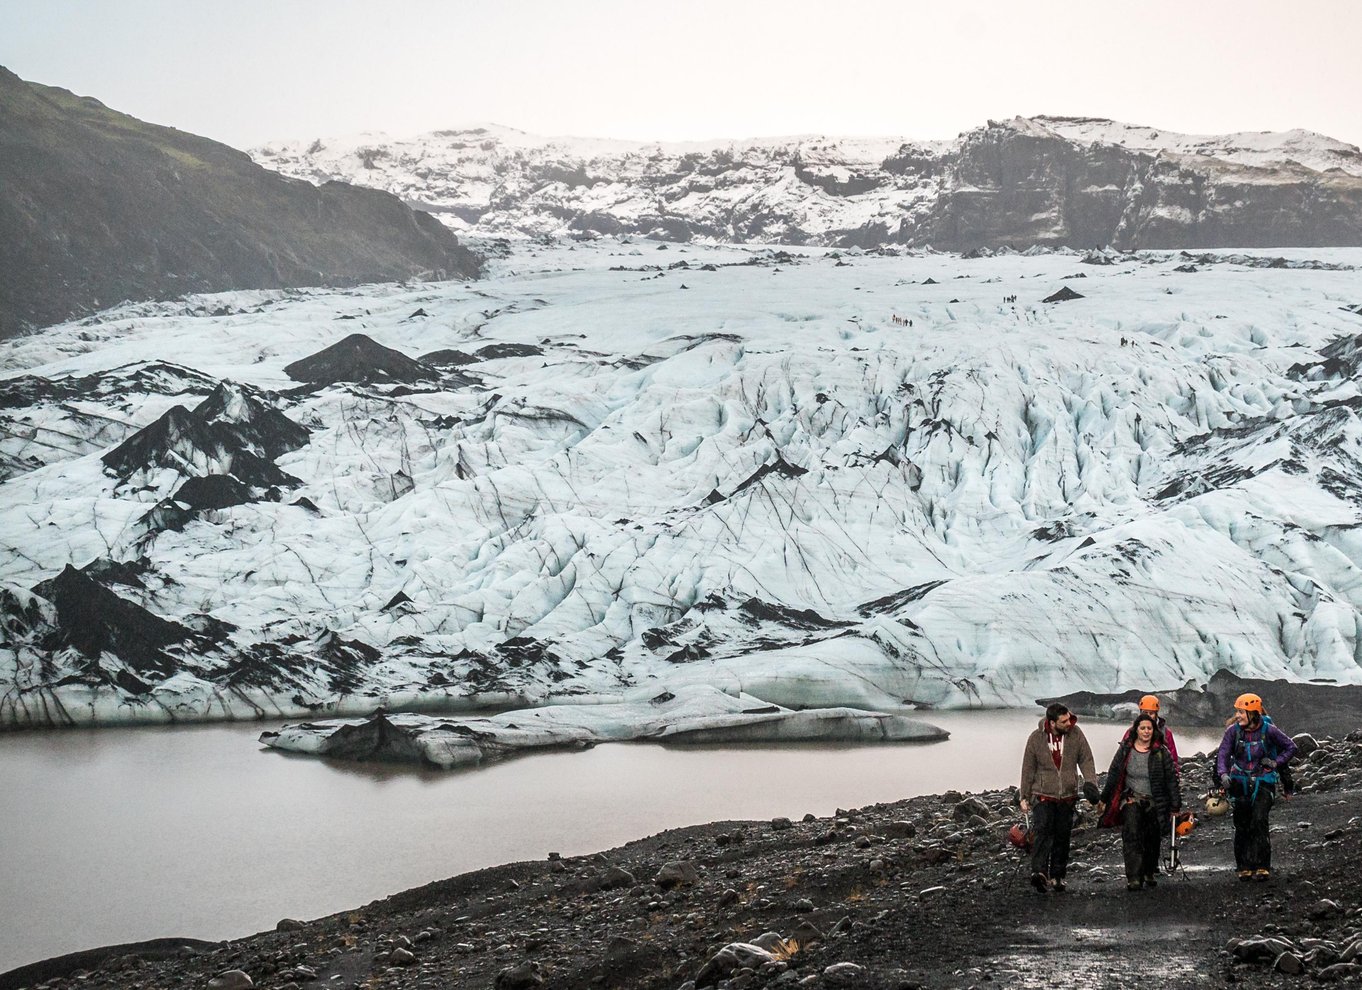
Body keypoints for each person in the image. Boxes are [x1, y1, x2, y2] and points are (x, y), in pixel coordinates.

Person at [1216, 693, 1297, 881]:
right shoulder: (1232, 732)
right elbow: (1223, 754)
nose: (1237, 715)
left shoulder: (1269, 730)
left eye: (1241, 711)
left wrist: (1276, 762)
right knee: (1242, 823)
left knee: (1259, 820)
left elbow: (1291, 747)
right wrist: (1223, 774)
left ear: (1253, 713)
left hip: (1264, 781)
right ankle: (1244, 866)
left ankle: (1262, 865)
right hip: (1239, 782)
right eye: (1237, 711)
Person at [1097, 713, 1181, 890]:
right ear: (1136, 730)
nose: (1146, 731)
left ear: (1154, 730)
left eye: (1149, 728)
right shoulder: (1126, 750)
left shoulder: (1161, 752)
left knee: (1152, 837)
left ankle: (1149, 871)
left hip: (1155, 801)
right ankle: (1134, 877)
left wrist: (1175, 805)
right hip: (1131, 798)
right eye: (1142, 728)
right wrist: (1104, 798)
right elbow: (1113, 774)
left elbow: (1171, 779)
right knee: (1132, 835)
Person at [1020, 703, 1097, 893]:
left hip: (1068, 795)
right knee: (1043, 831)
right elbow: (1028, 767)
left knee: (1063, 836)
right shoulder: (1036, 738)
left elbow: (1086, 759)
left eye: (1069, 719)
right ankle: (1039, 873)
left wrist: (1091, 783)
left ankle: (1057, 876)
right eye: (1064, 721)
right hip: (1043, 794)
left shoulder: (1076, 734)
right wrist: (1024, 796)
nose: (1069, 723)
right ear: (1052, 722)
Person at [1120, 695, 1181, 773]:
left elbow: (1173, 760)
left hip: (1158, 778)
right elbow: (1121, 757)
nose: (1148, 716)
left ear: (1156, 714)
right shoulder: (1131, 732)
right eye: (1145, 713)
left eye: (1151, 713)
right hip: (1134, 778)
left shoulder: (1166, 733)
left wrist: (1173, 780)